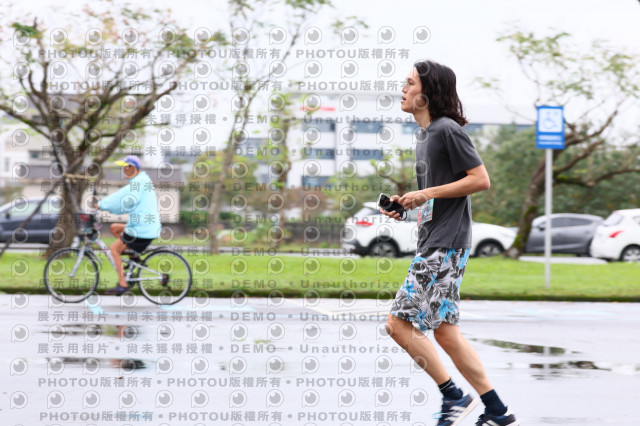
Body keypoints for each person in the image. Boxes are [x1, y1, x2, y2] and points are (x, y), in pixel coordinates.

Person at [381, 61, 519, 426]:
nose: (402, 89)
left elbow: (480, 179)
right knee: (445, 332)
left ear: (428, 92)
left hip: (444, 246)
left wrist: (425, 193)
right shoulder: (425, 136)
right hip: (439, 241)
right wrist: (407, 205)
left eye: (410, 83)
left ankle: (454, 397)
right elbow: (441, 195)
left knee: (397, 324)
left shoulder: (446, 130)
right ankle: (497, 411)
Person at [95, 155, 161, 295]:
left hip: (141, 229)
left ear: (133, 168)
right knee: (114, 228)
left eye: (126, 167)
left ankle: (123, 284)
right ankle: (133, 255)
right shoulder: (143, 180)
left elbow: (123, 198)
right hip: (145, 226)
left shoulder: (139, 182)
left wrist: (101, 204)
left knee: (113, 249)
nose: (124, 170)